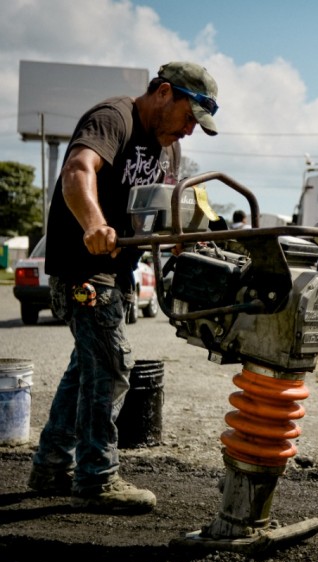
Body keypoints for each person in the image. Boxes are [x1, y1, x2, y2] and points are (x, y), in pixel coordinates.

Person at [29, 61, 220, 513]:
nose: (190, 130)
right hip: (80, 271)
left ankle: (51, 467)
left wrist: (191, 237)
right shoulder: (113, 118)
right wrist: (94, 223)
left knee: (88, 371)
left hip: (118, 277)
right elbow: (78, 169)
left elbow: (161, 209)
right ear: (164, 92)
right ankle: (97, 477)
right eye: (189, 117)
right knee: (114, 366)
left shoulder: (167, 149)